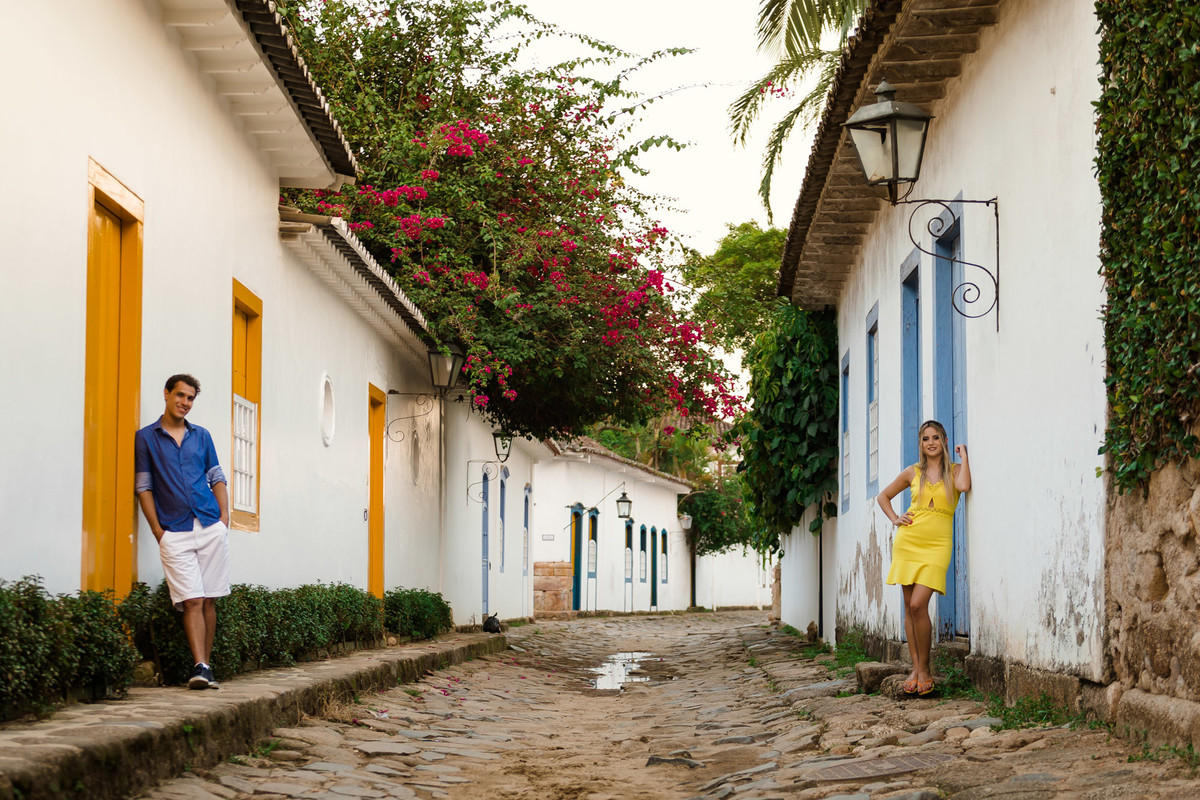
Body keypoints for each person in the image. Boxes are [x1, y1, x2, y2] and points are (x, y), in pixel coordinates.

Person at [135, 374, 231, 690]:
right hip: (173, 530)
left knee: (208, 600)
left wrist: (224, 518)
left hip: (208, 524)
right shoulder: (146, 438)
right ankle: (199, 666)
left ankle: (206, 667)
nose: (184, 403)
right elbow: (144, 486)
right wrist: (157, 530)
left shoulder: (201, 436)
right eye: (180, 396)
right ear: (166, 394)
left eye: (190, 398)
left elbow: (216, 476)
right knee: (191, 599)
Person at [877, 419, 971, 696]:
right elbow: (883, 496)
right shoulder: (912, 472)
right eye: (925, 438)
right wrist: (896, 518)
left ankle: (926, 669)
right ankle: (915, 669)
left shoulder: (954, 472)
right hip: (909, 540)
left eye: (936, 438)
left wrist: (963, 455)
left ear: (943, 440)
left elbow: (964, 486)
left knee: (919, 604)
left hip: (937, 544)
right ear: (920, 444)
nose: (931, 443)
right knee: (909, 606)